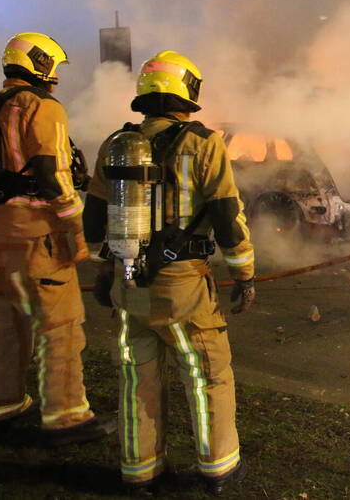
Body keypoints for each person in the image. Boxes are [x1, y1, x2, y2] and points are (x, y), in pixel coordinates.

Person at [84, 50, 255, 495]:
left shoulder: (116, 144)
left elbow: (96, 215)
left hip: (128, 282)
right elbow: (226, 214)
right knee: (208, 375)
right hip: (182, 288)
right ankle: (218, 468)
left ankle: (140, 472)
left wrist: (105, 270)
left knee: (137, 376)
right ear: (188, 92)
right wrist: (244, 274)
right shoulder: (203, 143)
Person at [0, 32, 114, 444]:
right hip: (38, 237)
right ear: (40, 65)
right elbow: (53, 178)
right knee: (61, 327)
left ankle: (1, 406)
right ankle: (67, 416)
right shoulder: (42, 107)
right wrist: (77, 232)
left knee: (2, 325)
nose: (55, 78)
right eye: (53, 68)